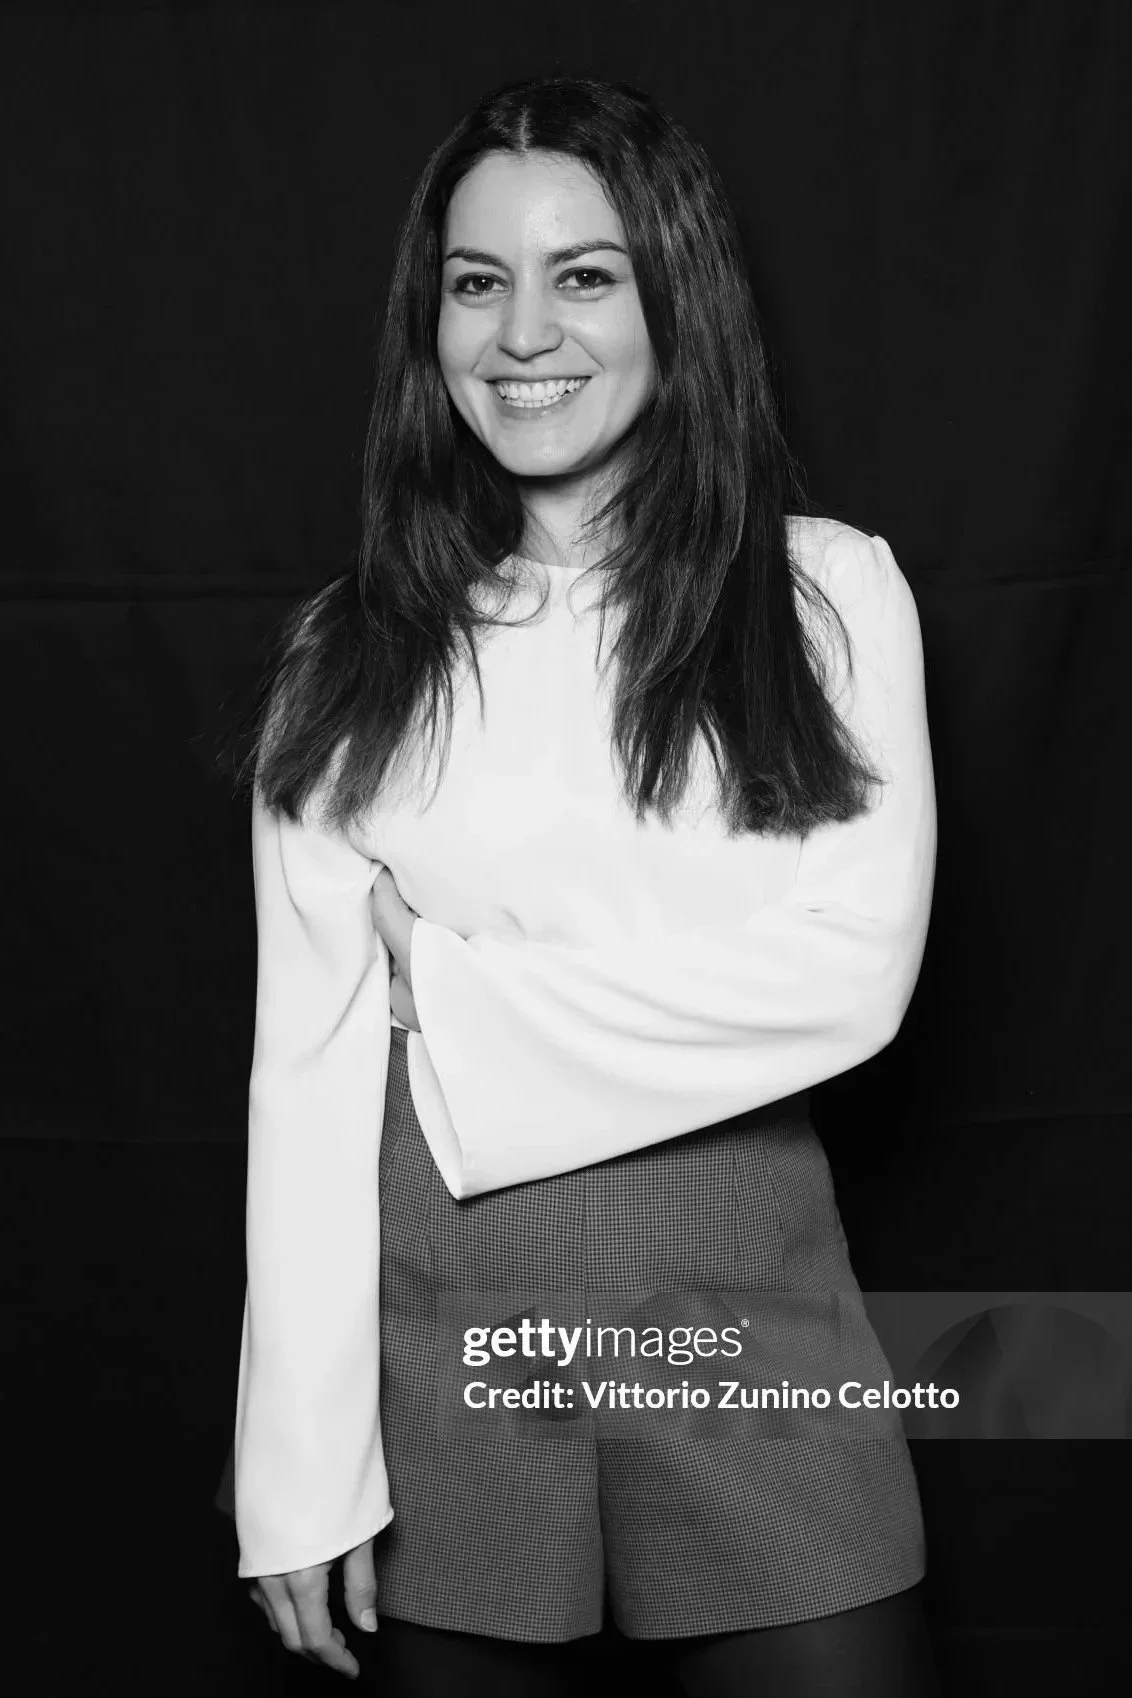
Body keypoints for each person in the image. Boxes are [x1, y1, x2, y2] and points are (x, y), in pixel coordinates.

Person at [218, 74, 942, 1696]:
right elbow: (315, 1079)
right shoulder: (348, 658)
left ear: (673, 297)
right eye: (479, 282)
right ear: (434, 325)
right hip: (447, 1345)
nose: (524, 331)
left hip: (747, 1328)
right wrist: (300, 1469)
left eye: (586, 273)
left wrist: (455, 987)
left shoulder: (827, 596)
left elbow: (850, 976)